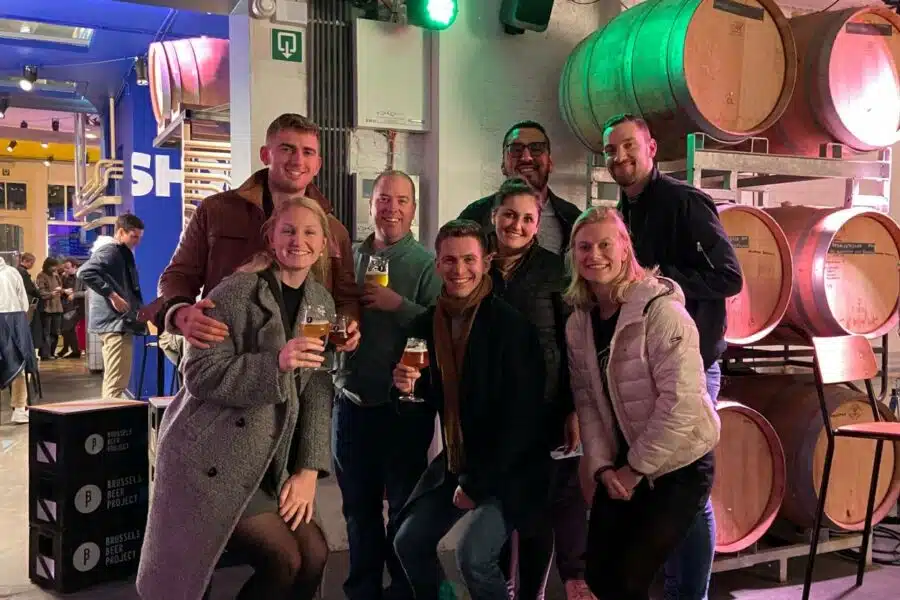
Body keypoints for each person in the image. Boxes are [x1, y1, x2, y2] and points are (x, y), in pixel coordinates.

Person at [137, 196, 336, 600]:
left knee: (315, 553)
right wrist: (275, 364)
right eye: (288, 231)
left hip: (270, 459)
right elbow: (200, 375)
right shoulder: (234, 292)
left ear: (322, 245)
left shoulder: (321, 302)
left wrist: (308, 470)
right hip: (212, 454)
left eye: (309, 232)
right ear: (271, 238)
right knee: (284, 560)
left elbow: (316, 386)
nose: (298, 241)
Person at [603, 113, 741, 599]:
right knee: (665, 487)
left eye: (628, 146)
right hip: (646, 368)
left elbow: (729, 277)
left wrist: (661, 281)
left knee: (687, 488)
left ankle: (690, 593)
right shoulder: (624, 210)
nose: (619, 157)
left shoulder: (685, 202)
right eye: (611, 150)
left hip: (691, 364)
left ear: (651, 148)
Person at [565, 207, 720, 600]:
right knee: (600, 575)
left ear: (624, 249)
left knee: (631, 578)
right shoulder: (579, 323)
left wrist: (634, 470)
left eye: (605, 244)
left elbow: (681, 403)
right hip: (624, 459)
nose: (594, 254)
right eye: (584, 247)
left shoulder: (661, 311)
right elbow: (588, 402)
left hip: (680, 463)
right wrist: (602, 467)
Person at [391, 219, 550, 600]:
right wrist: (404, 392)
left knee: (473, 556)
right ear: (437, 264)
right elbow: (418, 415)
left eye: (468, 259)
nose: (458, 269)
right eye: (449, 260)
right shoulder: (423, 326)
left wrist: (476, 484)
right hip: (458, 460)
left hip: (512, 467)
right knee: (408, 541)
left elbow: (523, 422)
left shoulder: (511, 327)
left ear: (486, 262)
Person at [157, 113, 360, 353]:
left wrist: (349, 325)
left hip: (301, 364)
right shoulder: (216, 211)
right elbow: (179, 274)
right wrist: (180, 312)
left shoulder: (334, 230)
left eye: (308, 152)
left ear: (318, 164)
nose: (298, 160)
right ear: (265, 155)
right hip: (223, 353)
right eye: (287, 149)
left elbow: (346, 298)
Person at [334, 170, 442, 600]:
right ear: (371, 204)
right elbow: (330, 309)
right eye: (383, 199)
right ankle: (362, 591)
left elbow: (441, 327)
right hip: (350, 400)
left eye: (401, 200)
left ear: (413, 209)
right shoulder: (349, 257)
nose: (391, 208)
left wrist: (398, 305)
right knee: (357, 509)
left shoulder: (426, 264)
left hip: (404, 407)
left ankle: (403, 592)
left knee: (402, 508)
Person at [485, 178, 592, 600]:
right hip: (492, 413)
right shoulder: (477, 267)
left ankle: (532, 594)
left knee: (536, 516)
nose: (517, 224)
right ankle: (500, 590)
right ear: (494, 215)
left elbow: (574, 345)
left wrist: (573, 408)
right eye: (509, 214)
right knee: (494, 512)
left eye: (527, 218)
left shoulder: (554, 269)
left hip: (544, 412)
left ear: (537, 224)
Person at [459, 121, 582, 255]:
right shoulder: (475, 216)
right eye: (516, 149)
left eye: (536, 148)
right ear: (503, 164)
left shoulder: (573, 218)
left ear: (550, 163)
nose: (526, 157)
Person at [77, 214, 147, 399]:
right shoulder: (111, 251)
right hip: (115, 324)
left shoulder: (117, 252)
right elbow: (84, 272)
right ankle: (110, 416)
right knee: (116, 383)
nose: (137, 241)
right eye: (134, 236)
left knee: (114, 381)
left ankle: (109, 414)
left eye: (139, 237)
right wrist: (113, 295)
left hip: (115, 323)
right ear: (121, 232)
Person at [0, 254, 36, 424]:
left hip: (13, 318)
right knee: (18, 364)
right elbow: (24, 303)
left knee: (17, 363)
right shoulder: (12, 272)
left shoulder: (12, 272)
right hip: (14, 320)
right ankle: (20, 408)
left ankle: (20, 408)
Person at [57, 258, 84, 358]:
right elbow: (64, 290)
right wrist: (63, 291)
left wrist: (74, 294)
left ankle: (74, 350)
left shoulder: (82, 277)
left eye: (68, 268)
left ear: (75, 267)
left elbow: (88, 292)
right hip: (67, 307)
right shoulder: (65, 277)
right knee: (67, 329)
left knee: (67, 328)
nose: (65, 270)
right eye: (64, 268)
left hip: (78, 307)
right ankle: (74, 351)